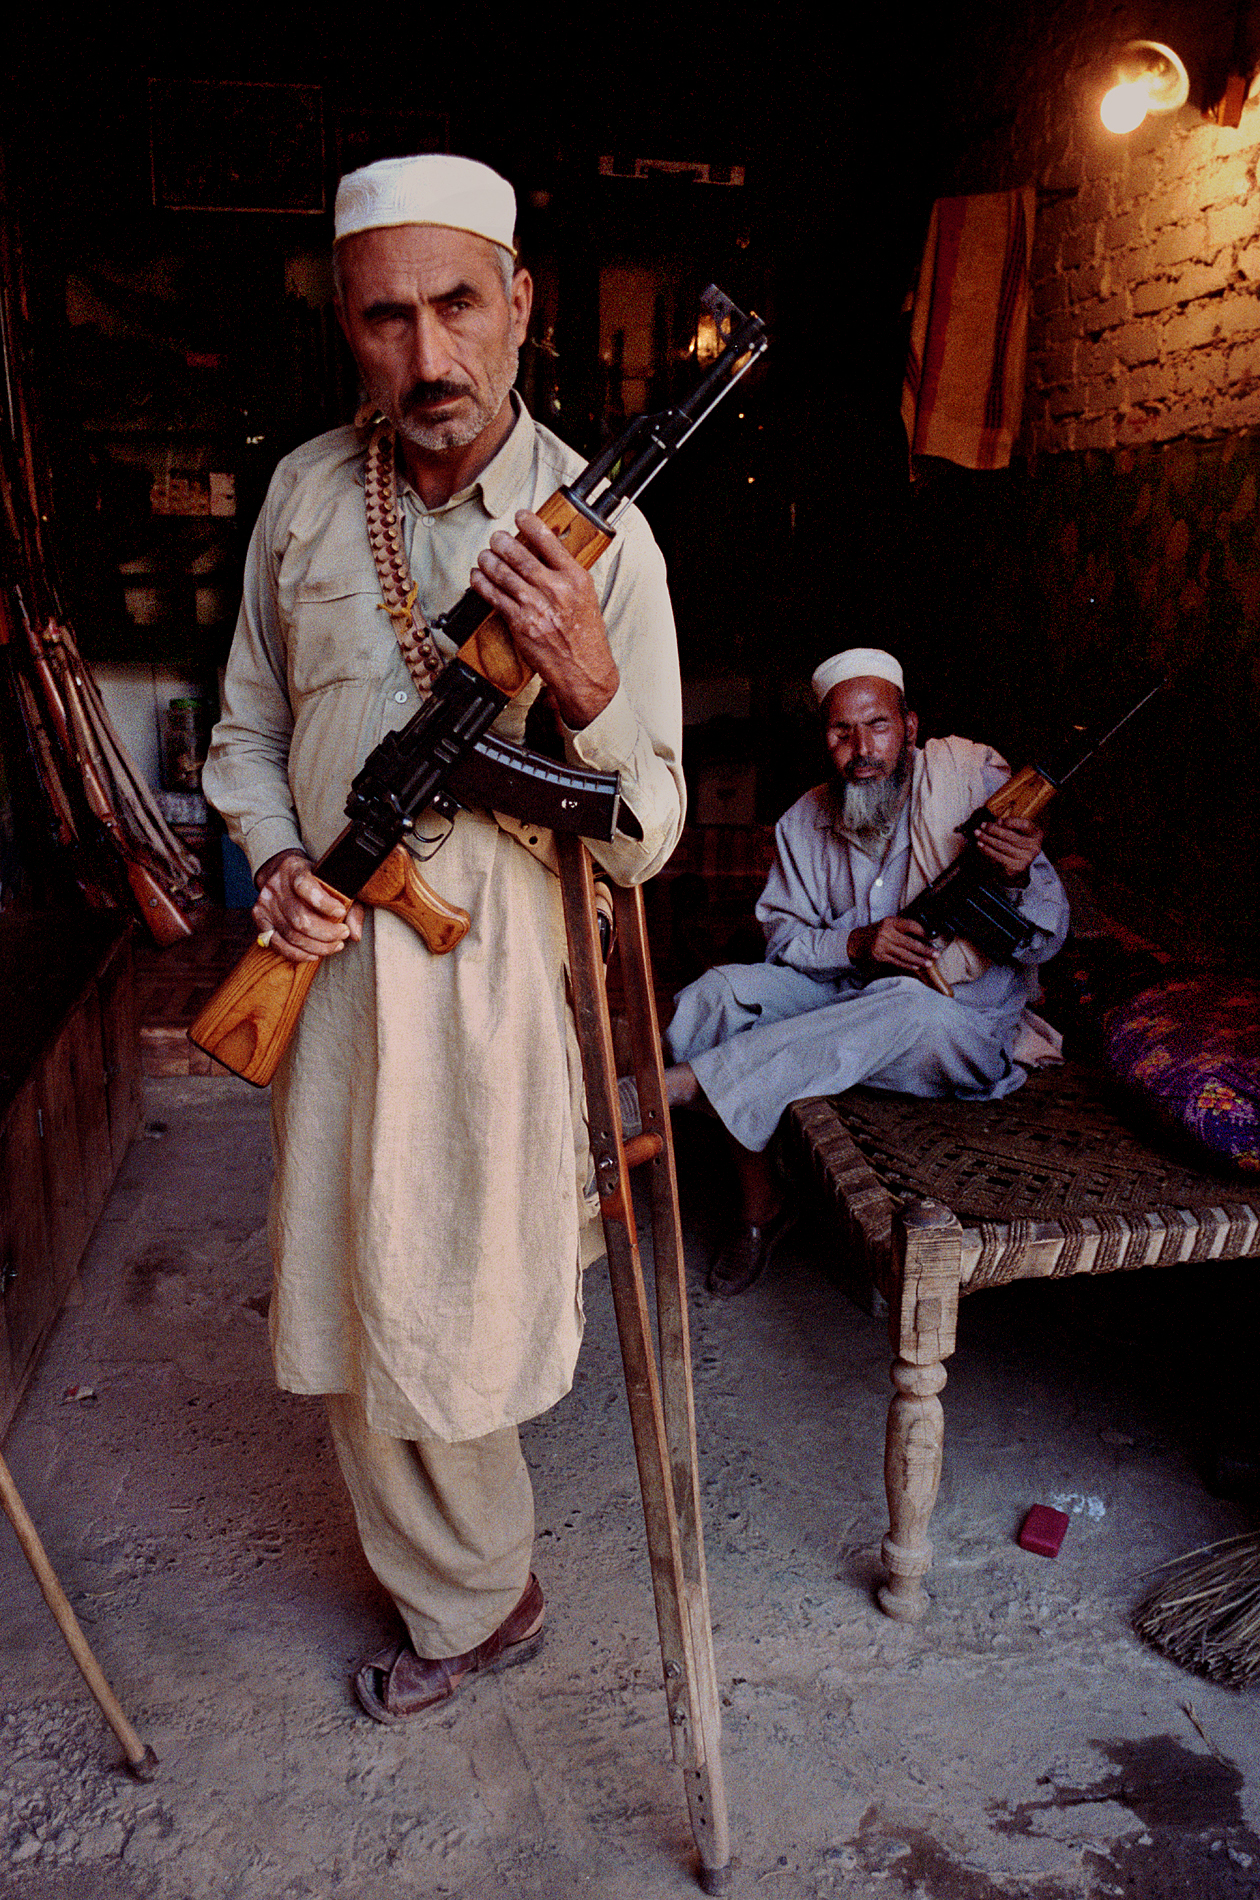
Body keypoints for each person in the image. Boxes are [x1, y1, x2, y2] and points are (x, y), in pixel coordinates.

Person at [202, 155, 684, 1722]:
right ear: (345, 322)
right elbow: (248, 728)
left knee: (462, 1300)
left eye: (459, 304)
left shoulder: (605, 541)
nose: (428, 357)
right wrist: (277, 863)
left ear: (522, 305)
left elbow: (652, 828)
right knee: (351, 1293)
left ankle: (485, 1586)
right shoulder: (300, 494)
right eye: (387, 316)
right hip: (330, 978)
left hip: (492, 987)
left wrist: (593, 690)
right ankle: (464, 1599)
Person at [661, 647, 1068, 1295]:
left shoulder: (970, 780)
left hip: (955, 1027)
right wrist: (856, 944)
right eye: (841, 732)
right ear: (824, 739)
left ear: (909, 726)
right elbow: (783, 941)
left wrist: (1017, 874)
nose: (862, 749)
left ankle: (683, 1085)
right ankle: (761, 1205)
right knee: (718, 994)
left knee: (910, 1002)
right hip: (845, 1002)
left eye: (877, 725)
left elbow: (1049, 937)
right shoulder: (804, 821)